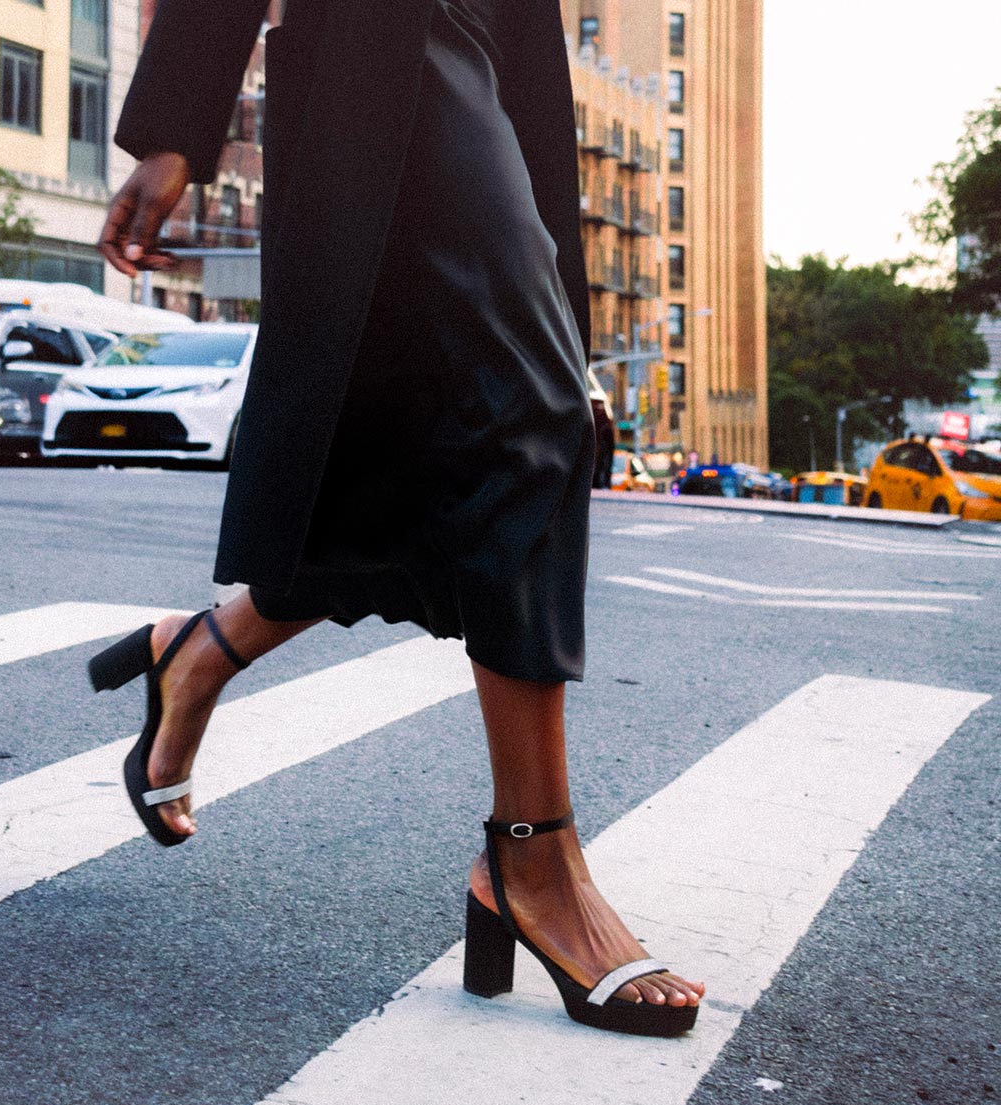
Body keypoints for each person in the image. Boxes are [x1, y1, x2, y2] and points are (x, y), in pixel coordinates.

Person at [94, 0, 703, 1036]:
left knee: (395, 450)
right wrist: (176, 124)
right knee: (531, 417)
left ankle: (200, 653)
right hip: (379, 42)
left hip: (490, 39)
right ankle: (533, 853)